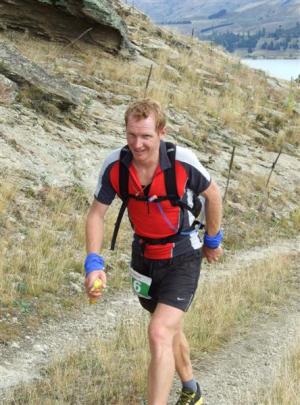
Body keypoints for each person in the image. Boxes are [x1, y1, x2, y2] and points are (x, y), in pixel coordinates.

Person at [84, 98, 223, 405]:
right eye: (132, 135)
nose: (138, 144)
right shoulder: (115, 166)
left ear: (161, 131)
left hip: (183, 256)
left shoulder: (182, 161)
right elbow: (96, 214)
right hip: (144, 259)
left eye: (146, 136)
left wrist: (213, 240)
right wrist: (93, 263)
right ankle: (191, 389)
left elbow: (213, 195)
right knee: (167, 329)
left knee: (159, 332)